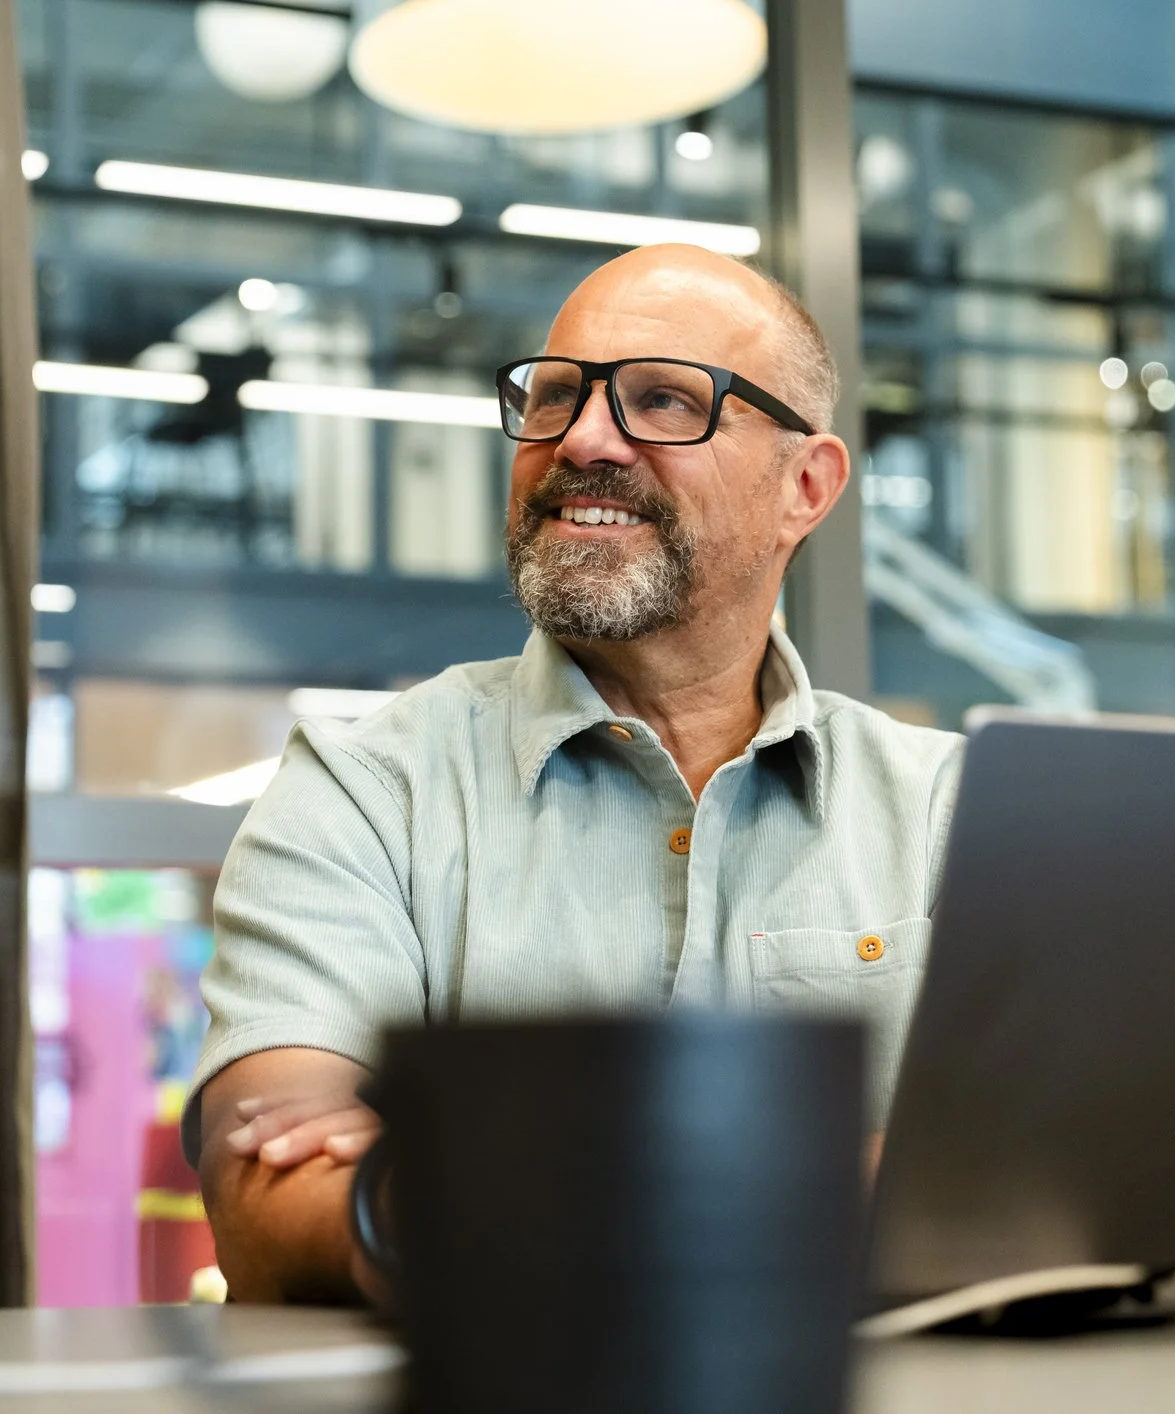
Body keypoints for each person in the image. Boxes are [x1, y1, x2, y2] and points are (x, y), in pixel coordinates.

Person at [190, 244, 964, 1302]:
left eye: (662, 400)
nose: (584, 437)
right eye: (555, 395)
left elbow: (1046, 1184)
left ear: (807, 486)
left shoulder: (945, 813)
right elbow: (272, 1202)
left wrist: (465, 1178)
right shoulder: (365, 789)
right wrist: (848, 1177)